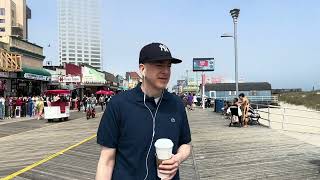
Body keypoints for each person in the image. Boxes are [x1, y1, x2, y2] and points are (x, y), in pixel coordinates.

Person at [96, 42, 192, 180]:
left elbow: (185, 144)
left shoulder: (176, 104)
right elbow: (106, 160)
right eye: (159, 65)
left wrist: (178, 158)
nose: (166, 71)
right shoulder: (119, 104)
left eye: (168, 66)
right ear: (142, 69)